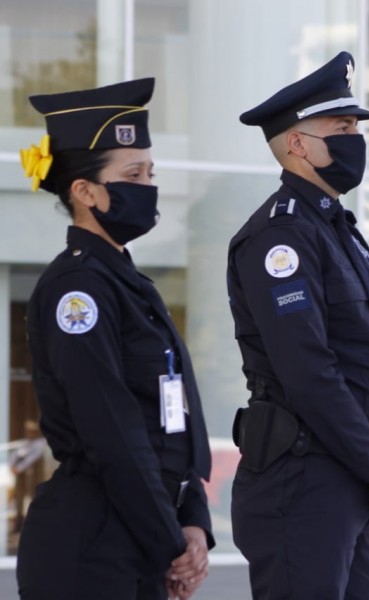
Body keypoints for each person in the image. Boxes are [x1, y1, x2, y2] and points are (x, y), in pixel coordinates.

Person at [227, 51, 369, 600]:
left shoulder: (342, 232)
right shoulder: (279, 237)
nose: (354, 139)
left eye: (356, 128)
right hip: (305, 479)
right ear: (296, 144)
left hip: (354, 478)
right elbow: (308, 369)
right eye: (341, 128)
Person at [17, 78, 214, 600]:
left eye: (150, 172)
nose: (148, 186)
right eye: (132, 174)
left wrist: (193, 522)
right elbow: (111, 430)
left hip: (142, 543)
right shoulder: (77, 290)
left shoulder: (128, 285)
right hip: (92, 550)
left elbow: (173, 418)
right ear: (85, 192)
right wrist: (171, 542)